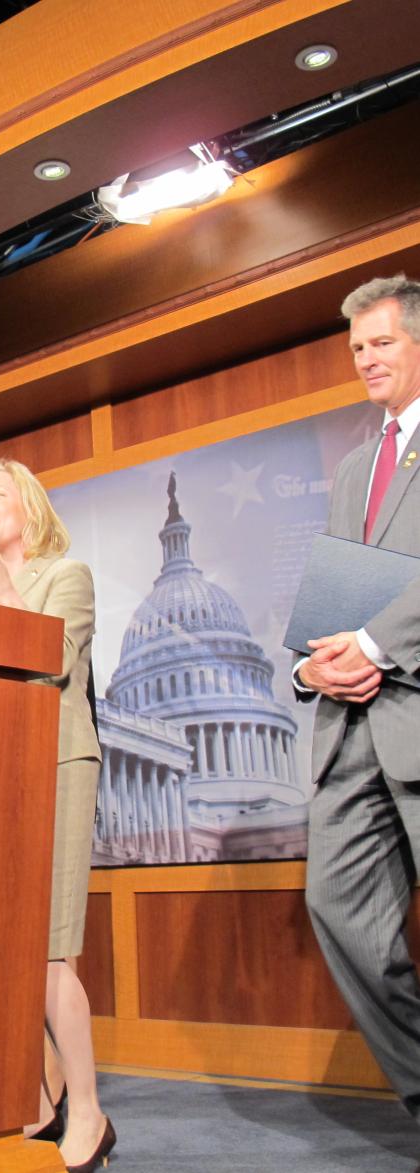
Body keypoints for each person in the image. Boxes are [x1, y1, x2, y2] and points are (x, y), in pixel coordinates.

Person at [0, 458, 115, 1173]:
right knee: (8, 954)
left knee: (50, 951)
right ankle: (43, 1098)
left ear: (29, 505)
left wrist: (5, 595)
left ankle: (88, 1109)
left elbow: (55, 662)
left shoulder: (65, 575)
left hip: (57, 765)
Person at [296, 274, 420, 1119]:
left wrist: (378, 644)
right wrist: (313, 667)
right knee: (336, 903)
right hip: (351, 731)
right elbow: (338, 595)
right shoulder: (353, 466)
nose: (366, 358)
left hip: (413, 706)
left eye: (381, 341)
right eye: (357, 347)